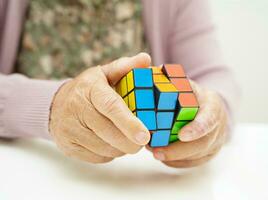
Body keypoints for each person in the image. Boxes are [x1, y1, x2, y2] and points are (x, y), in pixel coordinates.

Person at [0, 0, 239, 168]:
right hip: (26, 165)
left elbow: (215, 78)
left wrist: (212, 115)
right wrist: (52, 107)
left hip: (140, 179)